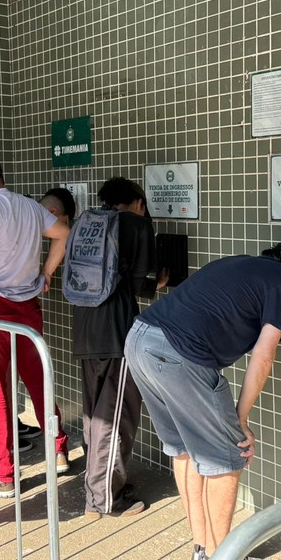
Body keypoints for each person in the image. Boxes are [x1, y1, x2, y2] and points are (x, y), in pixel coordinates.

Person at [125, 241, 281, 560]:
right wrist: (240, 419)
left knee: (184, 450)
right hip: (179, 354)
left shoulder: (239, 263)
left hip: (140, 339)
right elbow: (264, 355)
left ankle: (203, 553)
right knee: (229, 456)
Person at [0, 152, 72, 497]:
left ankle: (3, 475)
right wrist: (46, 273)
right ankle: (59, 450)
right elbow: (63, 234)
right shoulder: (30, 206)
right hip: (28, 307)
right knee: (39, 382)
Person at [73, 177, 162, 519]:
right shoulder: (136, 225)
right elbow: (143, 284)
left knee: (95, 414)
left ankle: (97, 487)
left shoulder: (89, 222)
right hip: (116, 331)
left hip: (84, 327)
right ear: (138, 202)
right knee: (115, 417)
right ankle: (105, 498)